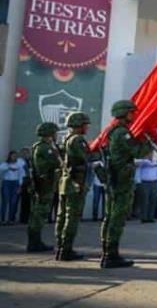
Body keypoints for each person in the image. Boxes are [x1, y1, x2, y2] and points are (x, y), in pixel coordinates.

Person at [101, 99, 151, 269]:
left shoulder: (113, 131)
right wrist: (146, 139)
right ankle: (111, 255)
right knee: (117, 217)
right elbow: (138, 151)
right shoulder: (122, 132)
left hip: (115, 178)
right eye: (131, 112)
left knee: (111, 216)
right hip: (121, 180)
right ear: (123, 113)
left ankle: (107, 252)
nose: (133, 115)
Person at [55, 112, 91, 261]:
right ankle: (66, 250)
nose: (87, 127)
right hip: (75, 182)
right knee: (72, 217)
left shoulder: (66, 138)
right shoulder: (78, 140)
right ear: (79, 125)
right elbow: (84, 158)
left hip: (66, 182)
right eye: (85, 125)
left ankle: (60, 247)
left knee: (62, 216)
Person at [135, 155, 157, 223]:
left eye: (151, 154)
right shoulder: (142, 163)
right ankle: (144, 217)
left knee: (153, 200)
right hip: (144, 182)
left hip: (154, 182)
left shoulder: (156, 163)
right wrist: (138, 182)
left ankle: (151, 217)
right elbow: (138, 171)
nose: (150, 156)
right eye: (148, 154)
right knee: (144, 200)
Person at [0, 151, 23, 225]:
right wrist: (9, 168)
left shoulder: (18, 164)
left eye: (15, 156)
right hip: (6, 183)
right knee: (5, 201)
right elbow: (1, 169)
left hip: (15, 183)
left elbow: (20, 175)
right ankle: (3, 219)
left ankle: (10, 219)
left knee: (13, 202)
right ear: (9, 156)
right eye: (12, 156)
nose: (14, 157)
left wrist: (20, 186)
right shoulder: (5, 164)